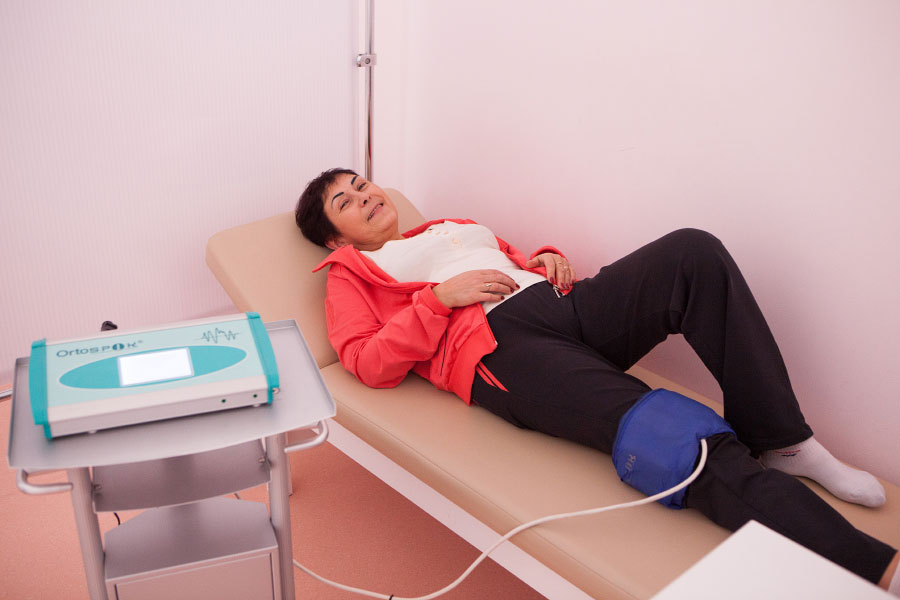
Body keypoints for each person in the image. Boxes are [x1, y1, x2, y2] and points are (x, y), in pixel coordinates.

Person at [296, 167, 899, 594]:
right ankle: (874, 568)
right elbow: (366, 361)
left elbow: (504, 259)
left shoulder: (446, 225)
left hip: (562, 305)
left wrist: (542, 260)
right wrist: (437, 300)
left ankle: (782, 441)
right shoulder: (351, 273)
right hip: (503, 350)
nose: (363, 195)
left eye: (361, 184)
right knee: (672, 434)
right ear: (335, 236)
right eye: (345, 201)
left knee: (692, 253)